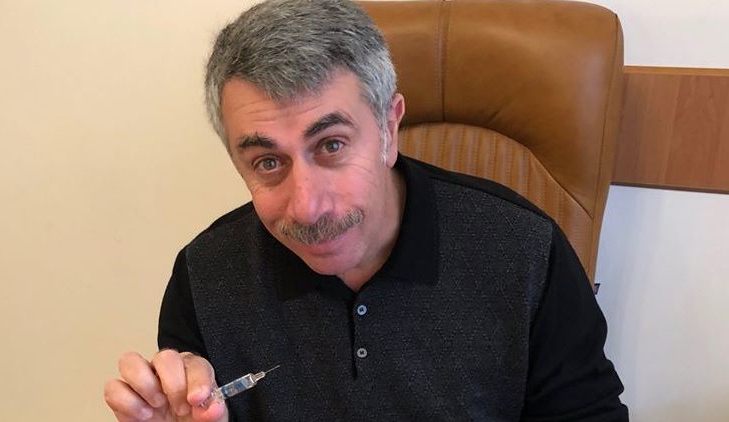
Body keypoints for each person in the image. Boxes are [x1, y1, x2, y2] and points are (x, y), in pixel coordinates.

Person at [103, 0, 628, 420]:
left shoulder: (526, 252)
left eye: (331, 145)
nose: (307, 207)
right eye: (268, 162)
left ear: (389, 128)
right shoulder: (205, 275)